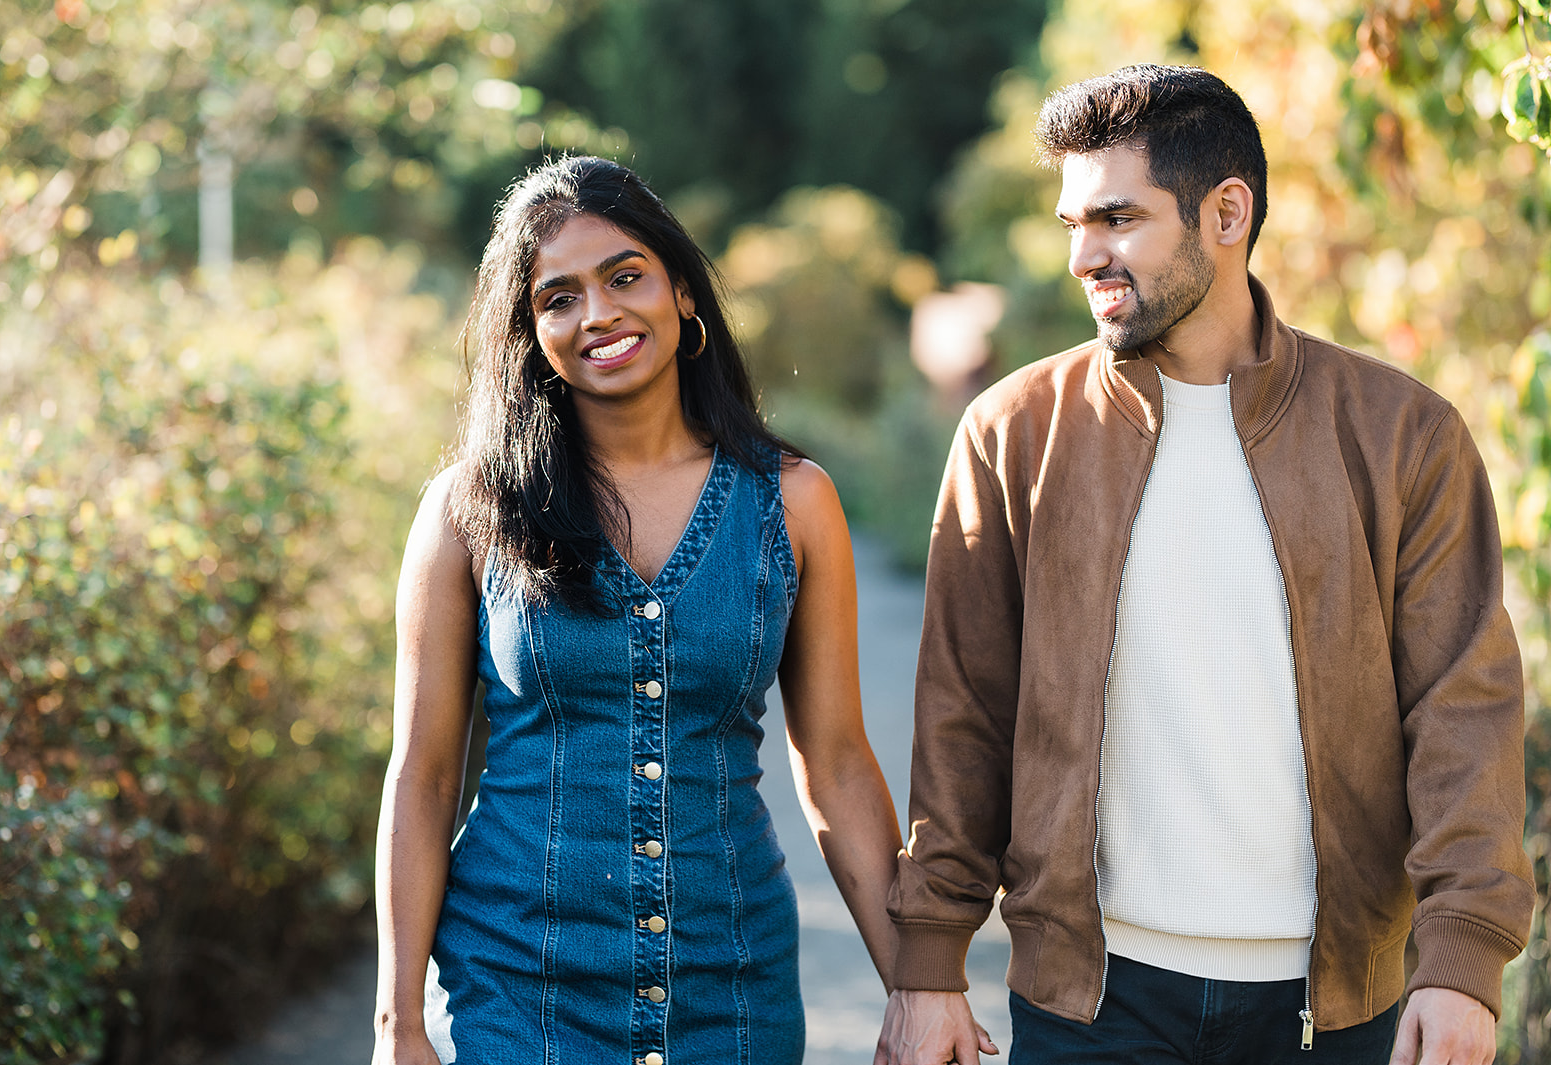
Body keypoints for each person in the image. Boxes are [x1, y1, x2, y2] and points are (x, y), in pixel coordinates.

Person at [876, 65, 1533, 1065]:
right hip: (1091, 1007)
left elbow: (1461, 707)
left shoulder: (1399, 435)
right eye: (1070, 224)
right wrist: (928, 967)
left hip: (1341, 1005)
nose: (1082, 254)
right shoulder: (1012, 433)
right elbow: (963, 709)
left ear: (1226, 213)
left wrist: (1460, 963)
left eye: (1116, 219)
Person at [371, 155, 902, 1065]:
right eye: (558, 298)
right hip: (515, 986)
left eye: (625, 277)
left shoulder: (794, 502)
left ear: (684, 294)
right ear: (529, 332)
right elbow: (423, 777)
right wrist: (399, 1025)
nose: (599, 315)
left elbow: (841, 765)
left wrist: (921, 988)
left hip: (728, 985)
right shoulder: (469, 511)